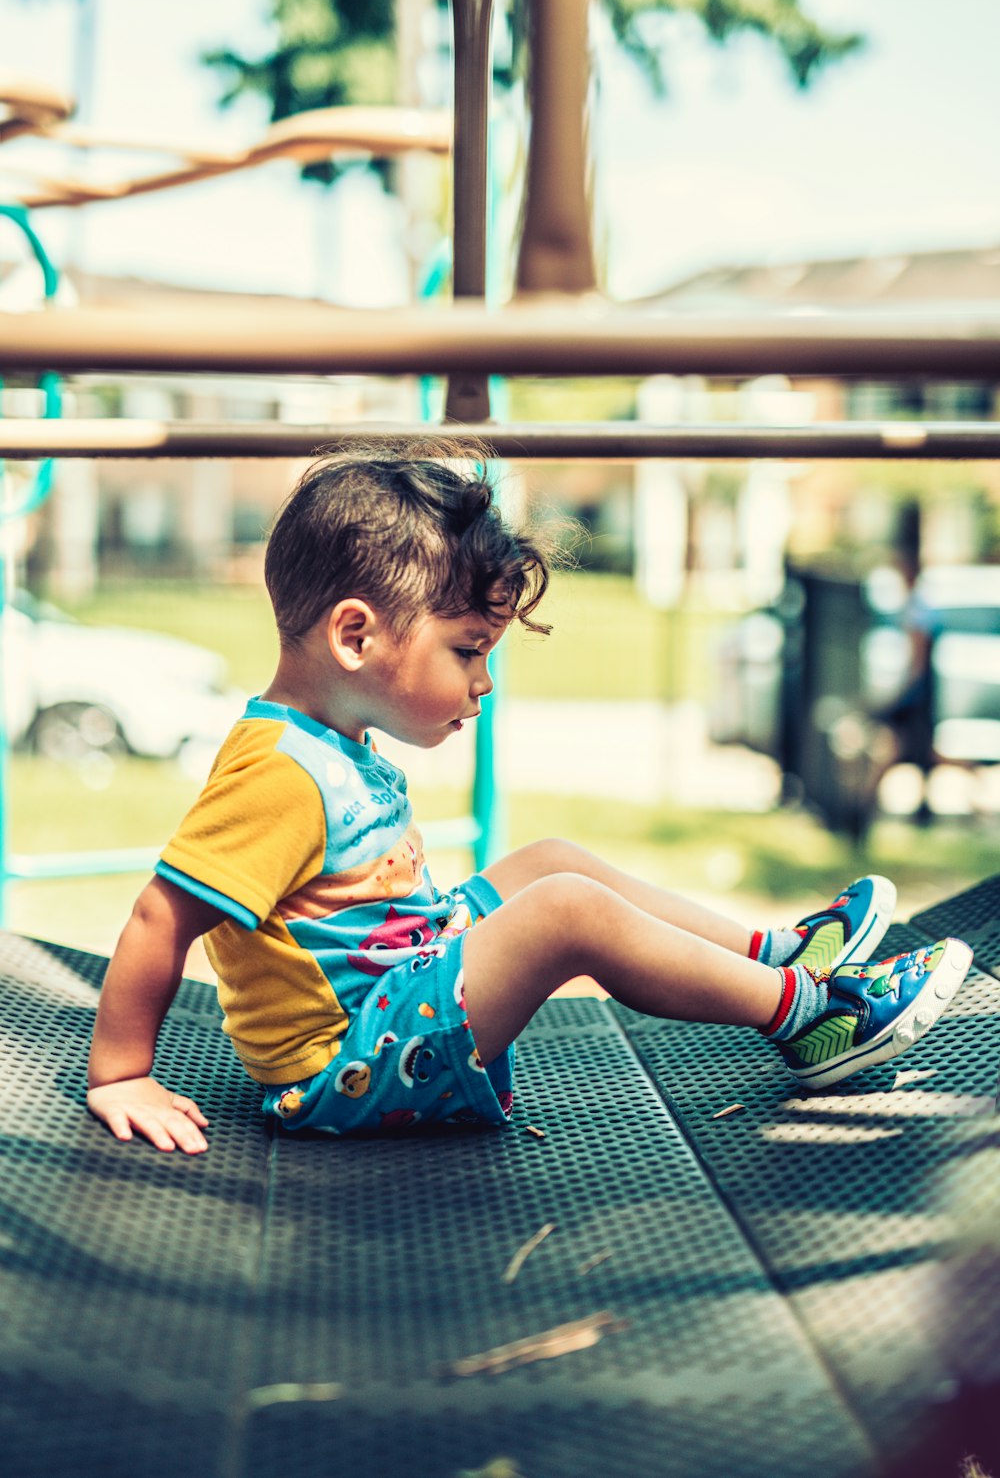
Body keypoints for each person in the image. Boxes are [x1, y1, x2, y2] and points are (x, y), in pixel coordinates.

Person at [85, 441, 974, 1154]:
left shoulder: (328, 740)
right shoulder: (277, 769)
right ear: (354, 634)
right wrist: (120, 1073)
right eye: (468, 650)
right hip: (352, 1066)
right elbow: (163, 916)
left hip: (403, 998)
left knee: (550, 862)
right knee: (564, 911)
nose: (485, 681)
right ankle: (814, 1019)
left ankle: (787, 950)